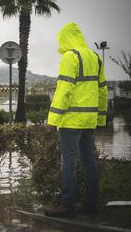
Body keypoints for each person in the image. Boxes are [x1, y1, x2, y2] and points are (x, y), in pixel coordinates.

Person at [44, 22, 107, 218]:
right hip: (89, 120)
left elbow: (64, 90)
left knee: (68, 161)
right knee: (89, 161)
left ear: (65, 39)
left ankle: (67, 205)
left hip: (71, 121)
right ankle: (90, 204)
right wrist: (101, 118)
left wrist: (52, 120)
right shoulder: (95, 57)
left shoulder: (70, 57)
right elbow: (102, 90)